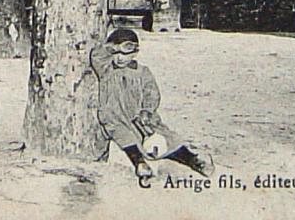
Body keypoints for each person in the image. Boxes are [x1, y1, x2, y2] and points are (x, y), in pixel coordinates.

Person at [89, 28, 214, 185]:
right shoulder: (106, 69)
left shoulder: (142, 72)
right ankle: (140, 165)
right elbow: (97, 55)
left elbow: (152, 93)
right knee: (125, 137)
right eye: (116, 54)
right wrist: (112, 47)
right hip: (116, 116)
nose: (120, 58)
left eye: (126, 54)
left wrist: (147, 110)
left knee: (165, 138)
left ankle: (193, 160)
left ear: (135, 53)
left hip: (140, 116)